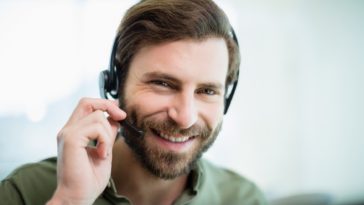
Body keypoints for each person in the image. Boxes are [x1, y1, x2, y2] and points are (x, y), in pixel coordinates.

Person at [0, 0, 267, 204]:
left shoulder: (245, 199)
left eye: (207, 91)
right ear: (115, 84)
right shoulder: (23, 192)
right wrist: (70, 199)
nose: (185, 117)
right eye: (162, 84)